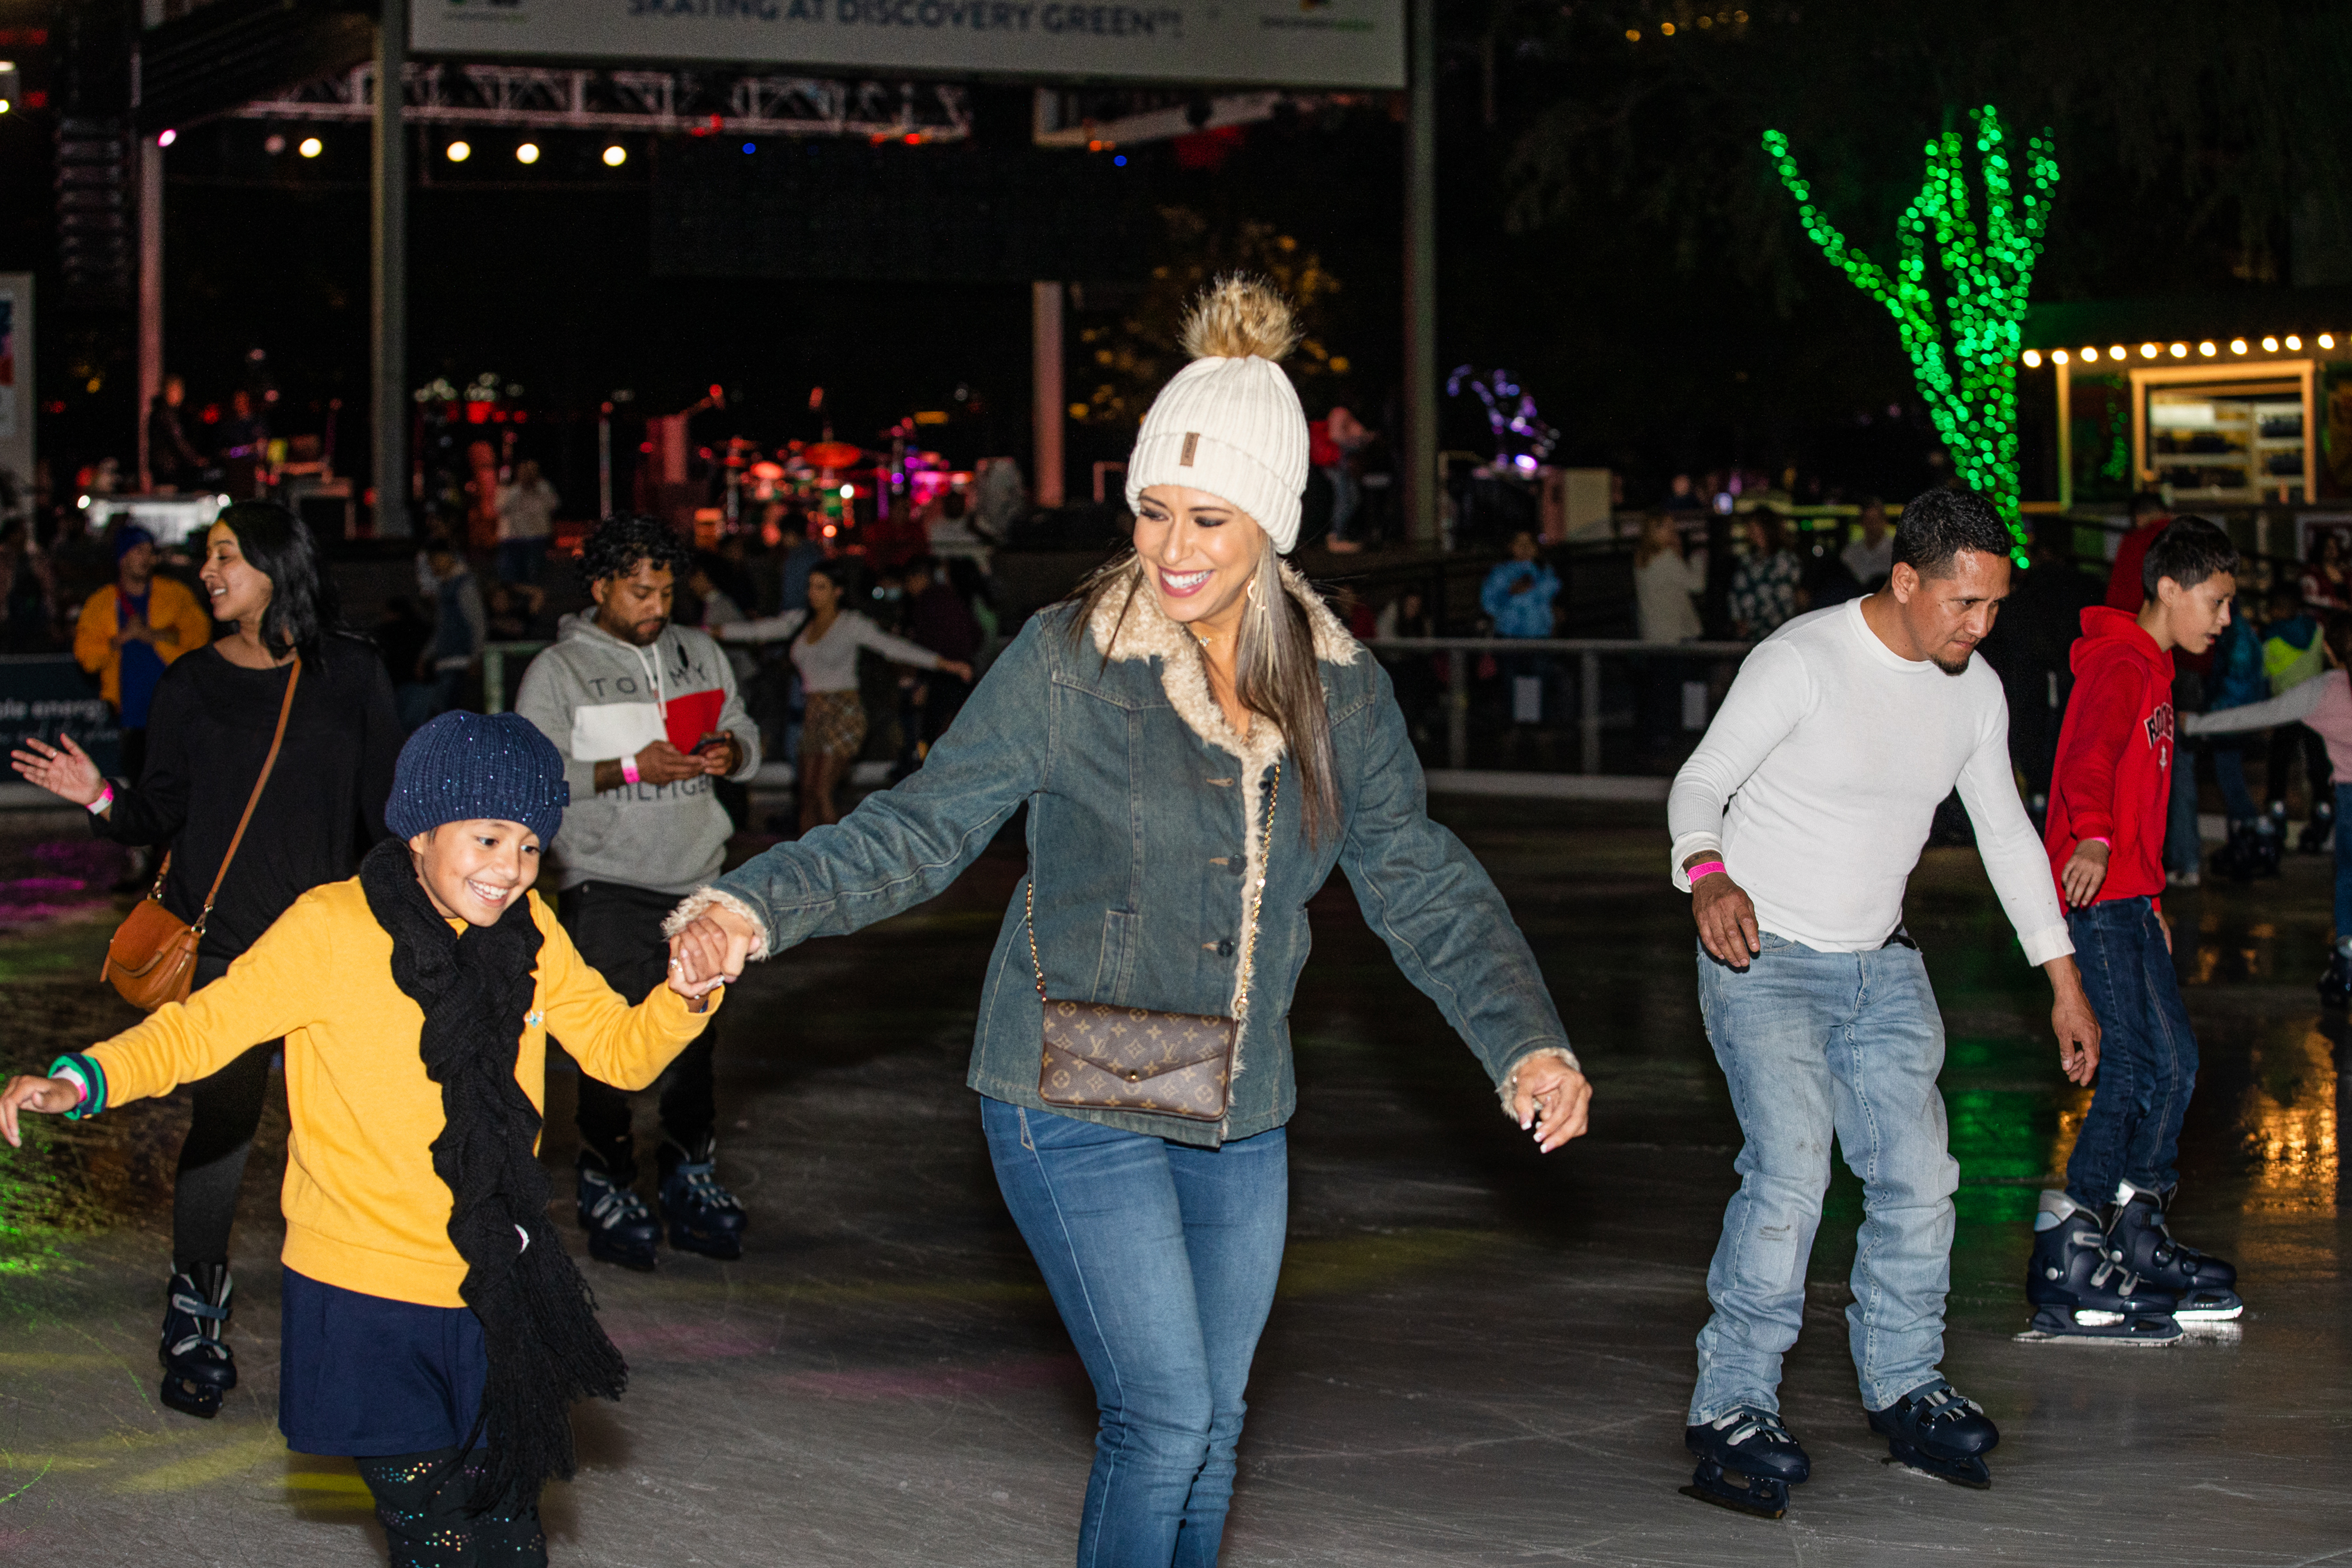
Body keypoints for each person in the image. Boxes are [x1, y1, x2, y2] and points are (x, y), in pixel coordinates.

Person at [667, 277, 1590, 1568]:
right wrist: (751, 905)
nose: (1171, 547)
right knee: (1162, 1418)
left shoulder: (1341, 693)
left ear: (1273, 523)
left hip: (1239, 1097)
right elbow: (924, 826)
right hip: (1072, 1080)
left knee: (1215, 1424)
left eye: (1208, 517)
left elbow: (1416, 873)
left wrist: (1523, 1038)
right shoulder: (1069, 659)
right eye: (1153, 510)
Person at [1, 710, 732, 1568]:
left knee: (509, 1531)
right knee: (435, 1532)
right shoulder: (332, 928)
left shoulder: (532, 935)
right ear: (421, 829)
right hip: (365, 1294)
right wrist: (86, 1079)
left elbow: (616, 1050)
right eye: (488, 837)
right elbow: (202, 1029)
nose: (510, 868)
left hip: (494, 1284)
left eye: (531, 845)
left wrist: (684, 995)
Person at [1667, 487, 2100, 1518]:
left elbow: (2006, 835)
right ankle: (1730, 1404)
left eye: (1993, 606)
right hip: (1762, 956)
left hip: (1883, 966)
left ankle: (1905, 1382)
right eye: (1963, 603)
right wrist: (1708, 875)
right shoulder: (1801, 660)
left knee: (1919, 1178)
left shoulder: (1973, 694)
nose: (1979, 625)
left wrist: (2064, 980)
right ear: (1905, 581)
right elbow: (1700, 782)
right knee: (1790, 1174)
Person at [9, 499, 401, 1419]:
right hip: (225, 952)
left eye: (227, 555)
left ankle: (368, 1311)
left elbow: (388, 817)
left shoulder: (352, 673)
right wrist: (98, 794)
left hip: (328, 952)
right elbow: (158, 813)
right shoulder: (190, 682)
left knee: (348, 1133)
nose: (209, 572)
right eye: (208, 556)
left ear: (277, 563)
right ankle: (195, 1312)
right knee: (223, 1130)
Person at [511, 515, 764, 1271]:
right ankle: (608, 1180)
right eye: (640, 592)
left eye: (666, 592)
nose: (657, 607)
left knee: (695, 1040)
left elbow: (745, 731)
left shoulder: (700, 653)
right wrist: (629, 768)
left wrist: (731, 752)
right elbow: (536, 778)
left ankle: (690, 1174)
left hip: (699, 880)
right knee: (607, 1041)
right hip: (608, 882)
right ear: (600, 588)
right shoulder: (558, 671)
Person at [2031, 516, 2243, 1339]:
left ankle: (2135, 1224)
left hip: (2130, 899)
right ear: (2167, 587)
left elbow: (2141, 796)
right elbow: (2087, 757)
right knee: (2127, 1068)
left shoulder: (2153, 669)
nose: (2224, 620)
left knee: (2177, 1064)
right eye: (2215, 602)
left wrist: (2150, 895)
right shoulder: (2121, 664)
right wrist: (2091, 833)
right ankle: (2070, 1235)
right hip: (2096, 895)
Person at [715, 560, 971, 833]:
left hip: (844, 712)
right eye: (811, 586)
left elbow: (893, 647)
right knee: (806, 794)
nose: (813, 593)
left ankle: (837, 856)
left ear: (838, 591)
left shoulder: (851, 624)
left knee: (822, 791)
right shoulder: (800, 622)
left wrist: (946, 664)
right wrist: (706, 633)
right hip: (814, 713)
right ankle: (809, 856)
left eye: (821, 587)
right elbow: (756, 631)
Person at [2190, 617, 2352, 1002]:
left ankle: (2347, 959)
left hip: (2349, 800)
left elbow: (2261, 714)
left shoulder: (2327, 690)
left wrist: (2195, 723)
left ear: (2331, 651)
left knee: (2348, 878)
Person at [1977, 512, 2102, 822]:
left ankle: (2039, 805)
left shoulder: (2026, 595)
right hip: (2077, 679)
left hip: (2033, 682)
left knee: (2036, 748)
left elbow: (2007, 639)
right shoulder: (2088, 589)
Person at [72, 524, 211, 786]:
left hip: (175, 710)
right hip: (132, 715)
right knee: (139, 784)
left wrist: (154, 635)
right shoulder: (101, 604)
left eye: (150, 551)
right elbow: (87, 657)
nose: (147, 558)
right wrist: (122, 638)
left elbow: (200, 638)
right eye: (138, 551)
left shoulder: (175, 595)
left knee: (177, 783)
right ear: (122, 558)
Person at [1634, 509, 1707, 749]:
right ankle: (1687, 733)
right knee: (1683, 685)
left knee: (1659, 689)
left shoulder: (1642, 559)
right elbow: (1696, 584)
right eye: (1668, 527)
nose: (1674, 531)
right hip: (1677, 634)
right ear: (1656, 531)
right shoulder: (1666, 558)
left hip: (1654, 635)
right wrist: (1698, 559)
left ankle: (1657, 738)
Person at [902, 554, 983, 753]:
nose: (907, 588)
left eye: (908, 581)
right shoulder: (950, 597)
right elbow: (976, 633)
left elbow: (925, 647)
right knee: (964, 729)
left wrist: (922, 681)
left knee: (933, 732)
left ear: (919, 578)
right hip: (964, 670)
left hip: (944, 673)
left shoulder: (927, 602)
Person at [420, 538, 486, 719]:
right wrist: (426, 656)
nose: (432, 566)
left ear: (446, 557)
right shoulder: (445, 587)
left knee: (449, 717)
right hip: (447, 662)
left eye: (433, 560)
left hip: (460, 664)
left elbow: (478, 623)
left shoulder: (463, 585)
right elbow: (442, 627)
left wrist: (476, 656)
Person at [1727, 508, 1805, 642]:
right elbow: (1735, 593)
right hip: (1752, 635)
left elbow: (1793, 595)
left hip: (1780, 632)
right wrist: (1738, 619)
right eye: (1750, 529)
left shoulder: (1786, 560)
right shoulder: (1746, 561)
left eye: (1756, 528)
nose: (1752, 533)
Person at [2102, 492, 2171, 611]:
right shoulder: (2173, 535)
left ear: (2138, 515)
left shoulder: (2132, 540)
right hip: (2156, 611)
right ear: (2162, 512)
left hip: (2124, 612)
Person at [495, 459, 559, 587]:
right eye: (524, 471)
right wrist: (519, 489)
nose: (528, 475)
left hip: (537, 538)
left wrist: (537, 490)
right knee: (511, 579)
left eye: (531, 471)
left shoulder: (544, 487)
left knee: (536, 577)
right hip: (512, 540)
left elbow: (554, 505)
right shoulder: (508, 489)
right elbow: (499, 507)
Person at [146, 374, 206, 492]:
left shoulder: (165, 412)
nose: (181, 394)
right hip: (168, 471)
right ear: (168, 391)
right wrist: (195, 460)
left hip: (164, 470)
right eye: (177, 390)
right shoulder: (166, 414)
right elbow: (177, 440)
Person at [1839, 498, 1894, 591]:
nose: (1872, 525)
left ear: (1885, 521)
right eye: (1868, 520)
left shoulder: (1896, 552)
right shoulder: (1850, 553)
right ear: (1861, 522)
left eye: (1875, 520)